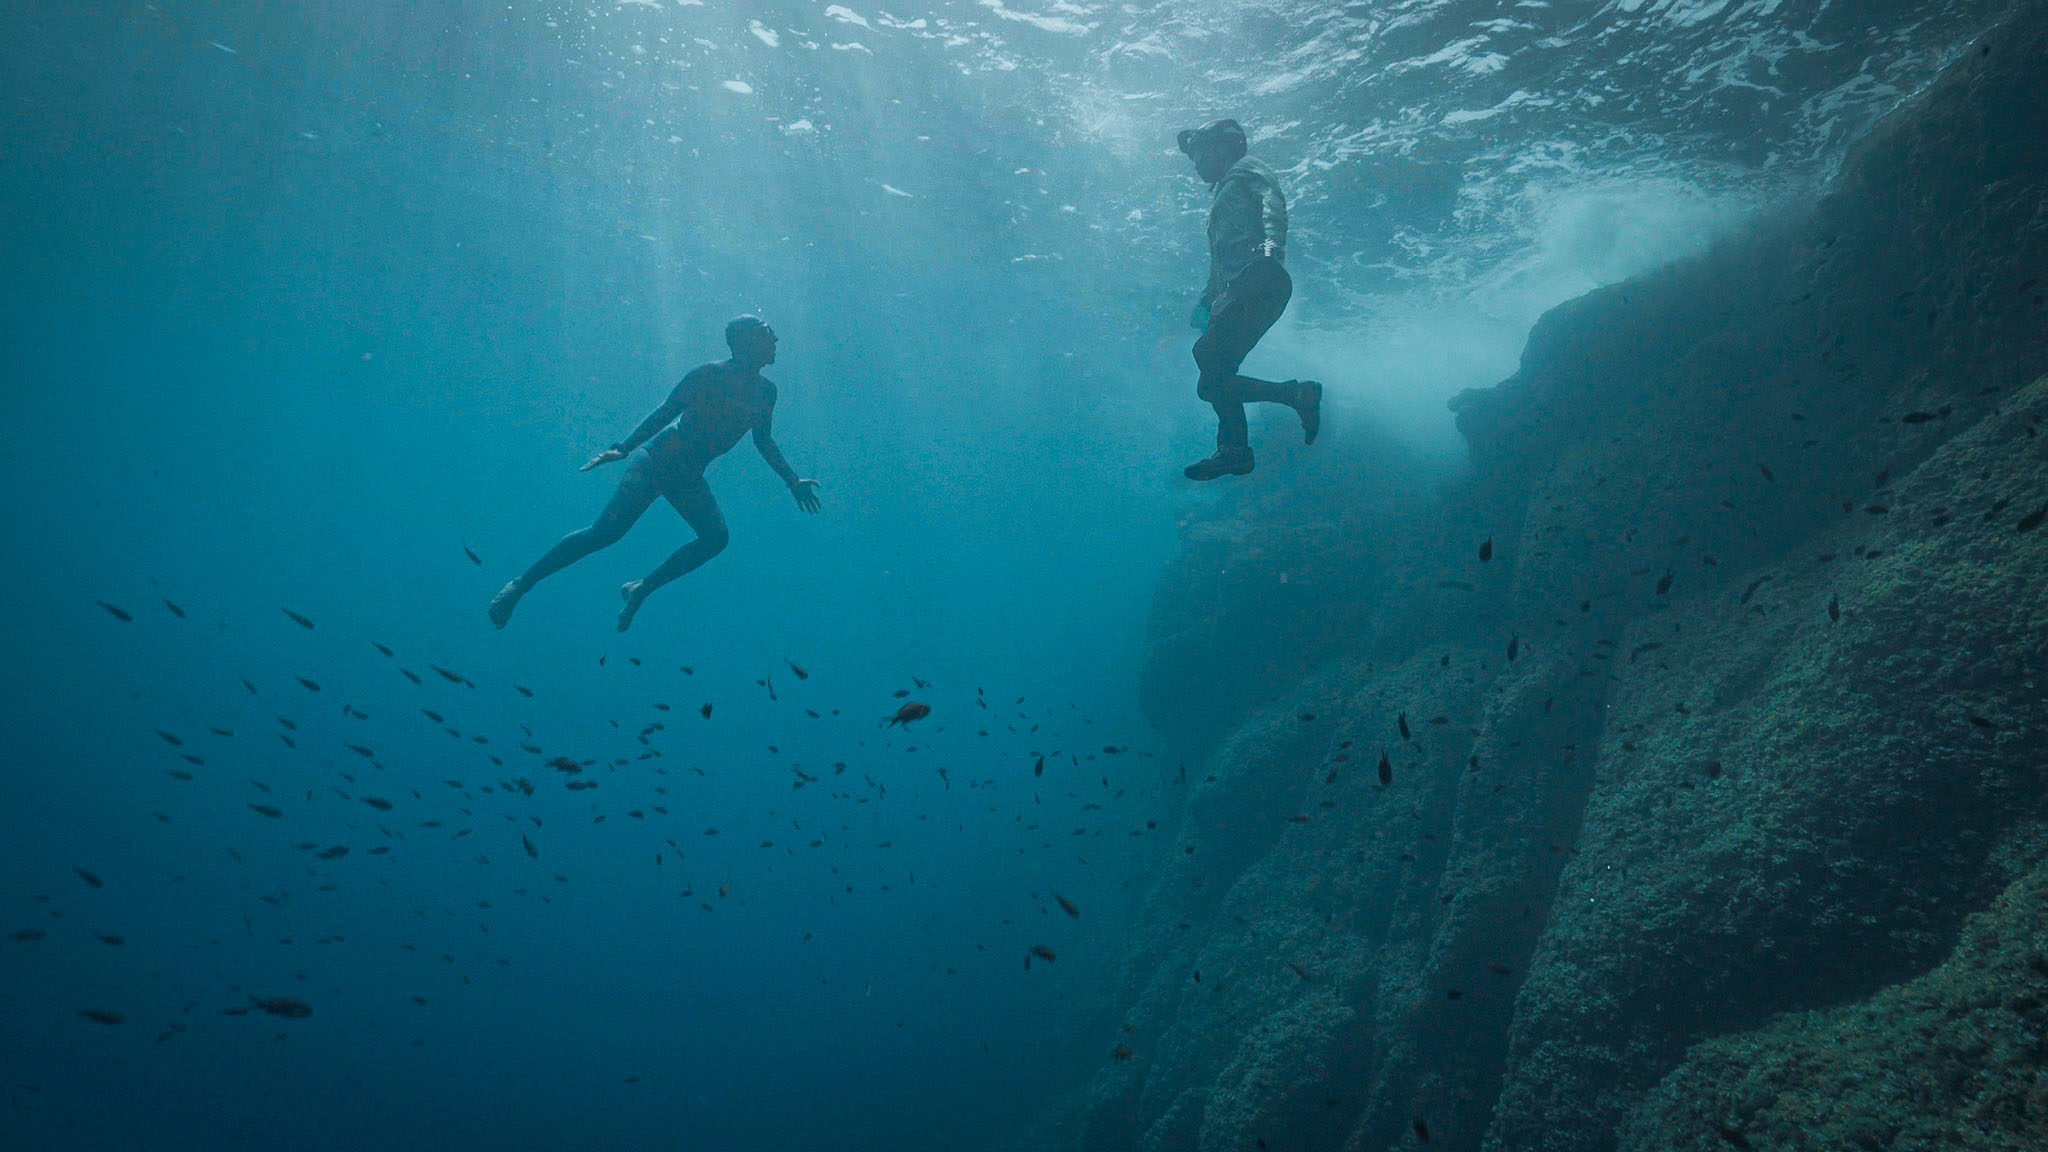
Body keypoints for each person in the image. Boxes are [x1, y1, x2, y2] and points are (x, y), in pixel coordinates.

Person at [488, 316, 821, 632]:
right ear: (743, 342)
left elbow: (763, 440)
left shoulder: (767, 393)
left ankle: (642, 588)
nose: (775, 338)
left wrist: (792, 481)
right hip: (656, 461)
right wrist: (624, 447)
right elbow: (667, 411)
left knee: (716, 539)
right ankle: (520, 585)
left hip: (689, 476)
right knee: (606, 532)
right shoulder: (708, 374)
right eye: (766, 331)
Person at [1177, 118, 1321, 480]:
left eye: (1199, 153)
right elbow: (1220, 263)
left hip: (1260, 277)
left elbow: (1272, 202)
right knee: (1212, 381)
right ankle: (1293, 398)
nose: (1195, 163)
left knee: (1208, 358)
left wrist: (1272, 250)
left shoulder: (1247, 169)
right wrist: (1205, 303)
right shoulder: (1223, 193)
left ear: (1221, 147)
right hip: (1246, 283)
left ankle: (1238, 448)